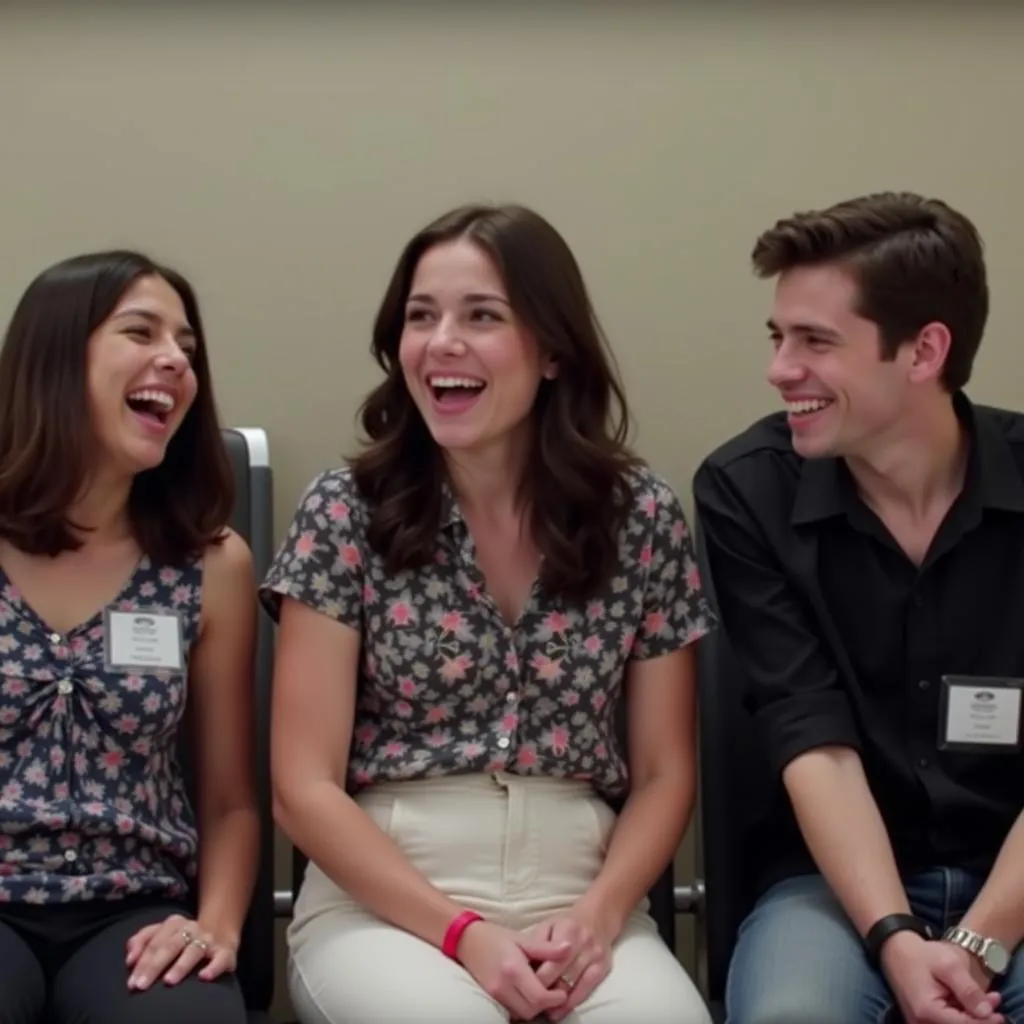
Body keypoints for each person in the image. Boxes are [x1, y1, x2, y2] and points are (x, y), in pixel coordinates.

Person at [264, 202, 715, 1023]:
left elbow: (663, 774)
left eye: (482, 317)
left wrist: (601, 915)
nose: (442, 343)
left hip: (584, 889)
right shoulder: (345, 510)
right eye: (421, 317)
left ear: (550, 350)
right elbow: (302, 787)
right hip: (389, 894)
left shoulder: (639, 515)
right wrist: (463, 933)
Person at [693, 191, 1024, 1024]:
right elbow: (811, 734)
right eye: (779, 337)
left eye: (816, 341)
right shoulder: (747, 492)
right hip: (832, 889)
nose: (779, 369)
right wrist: (896, 939)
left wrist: (981, 940)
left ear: (923, 351)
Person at [0, 251, 259, 1024]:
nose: (175, 360)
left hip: (136, 912)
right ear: (53, 358)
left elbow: (229, 801)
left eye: (187, 346)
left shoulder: (210, 565)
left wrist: (213, 926)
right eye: (140, 331)